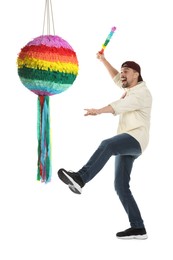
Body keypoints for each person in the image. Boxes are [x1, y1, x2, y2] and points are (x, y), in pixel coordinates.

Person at [57, 52, 152, 240]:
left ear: (136, 74)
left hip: (135, 138)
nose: (122, 74)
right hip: (127, 140)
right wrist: (103, 60)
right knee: (121, 186)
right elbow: (117, 78)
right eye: (122, 71)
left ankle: (81, 178)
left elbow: (119, 106)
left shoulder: (142, 93)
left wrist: (98, 111)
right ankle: (138, 228)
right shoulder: (131, 87)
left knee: (107, 145)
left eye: (126, 71)